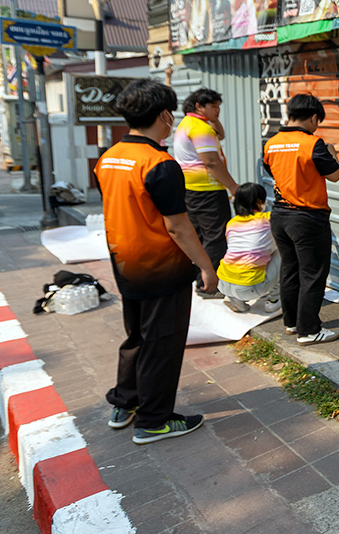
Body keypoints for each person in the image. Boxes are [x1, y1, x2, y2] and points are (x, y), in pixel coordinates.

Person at [94, 79, 217, 445]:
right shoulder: (160, 164)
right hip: (162, 268)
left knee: (136, 336)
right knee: (162, 342)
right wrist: (207, 267)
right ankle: (154, 421)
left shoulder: (108, 157)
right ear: (164, 114)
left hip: (126, 265)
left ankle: (125, 404)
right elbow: (178, 226)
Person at [263, 93, 339, 344]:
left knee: (290, 269)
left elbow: (271, 169)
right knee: (313, 273)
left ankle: (292, 322)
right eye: (317, 121)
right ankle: (309, 330)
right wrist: (332, 152)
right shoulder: (313, 143)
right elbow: (335, 175)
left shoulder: (271, 142)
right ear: (313, 117)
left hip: (280, 216)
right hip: (308, 218)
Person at [173, 87, 238, 298]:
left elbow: (221, 134)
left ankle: (200, 280)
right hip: (208, 191)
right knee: (216, 237)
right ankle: (209, 286)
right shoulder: (200, 129)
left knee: (201, 236)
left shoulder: (188, 124)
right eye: (213, 106)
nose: (217, 111)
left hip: (191, 190)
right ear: (199, 106)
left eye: (219, 107)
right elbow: (211, 161)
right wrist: (233, 187)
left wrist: (213, 119)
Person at [217, 182, 282, 315]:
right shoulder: (268, 219)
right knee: (284, 251)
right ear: (259, 202)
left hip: (223, 282)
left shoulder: (232, 223)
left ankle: (237, 301)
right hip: (249, 287)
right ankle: (274, 300)